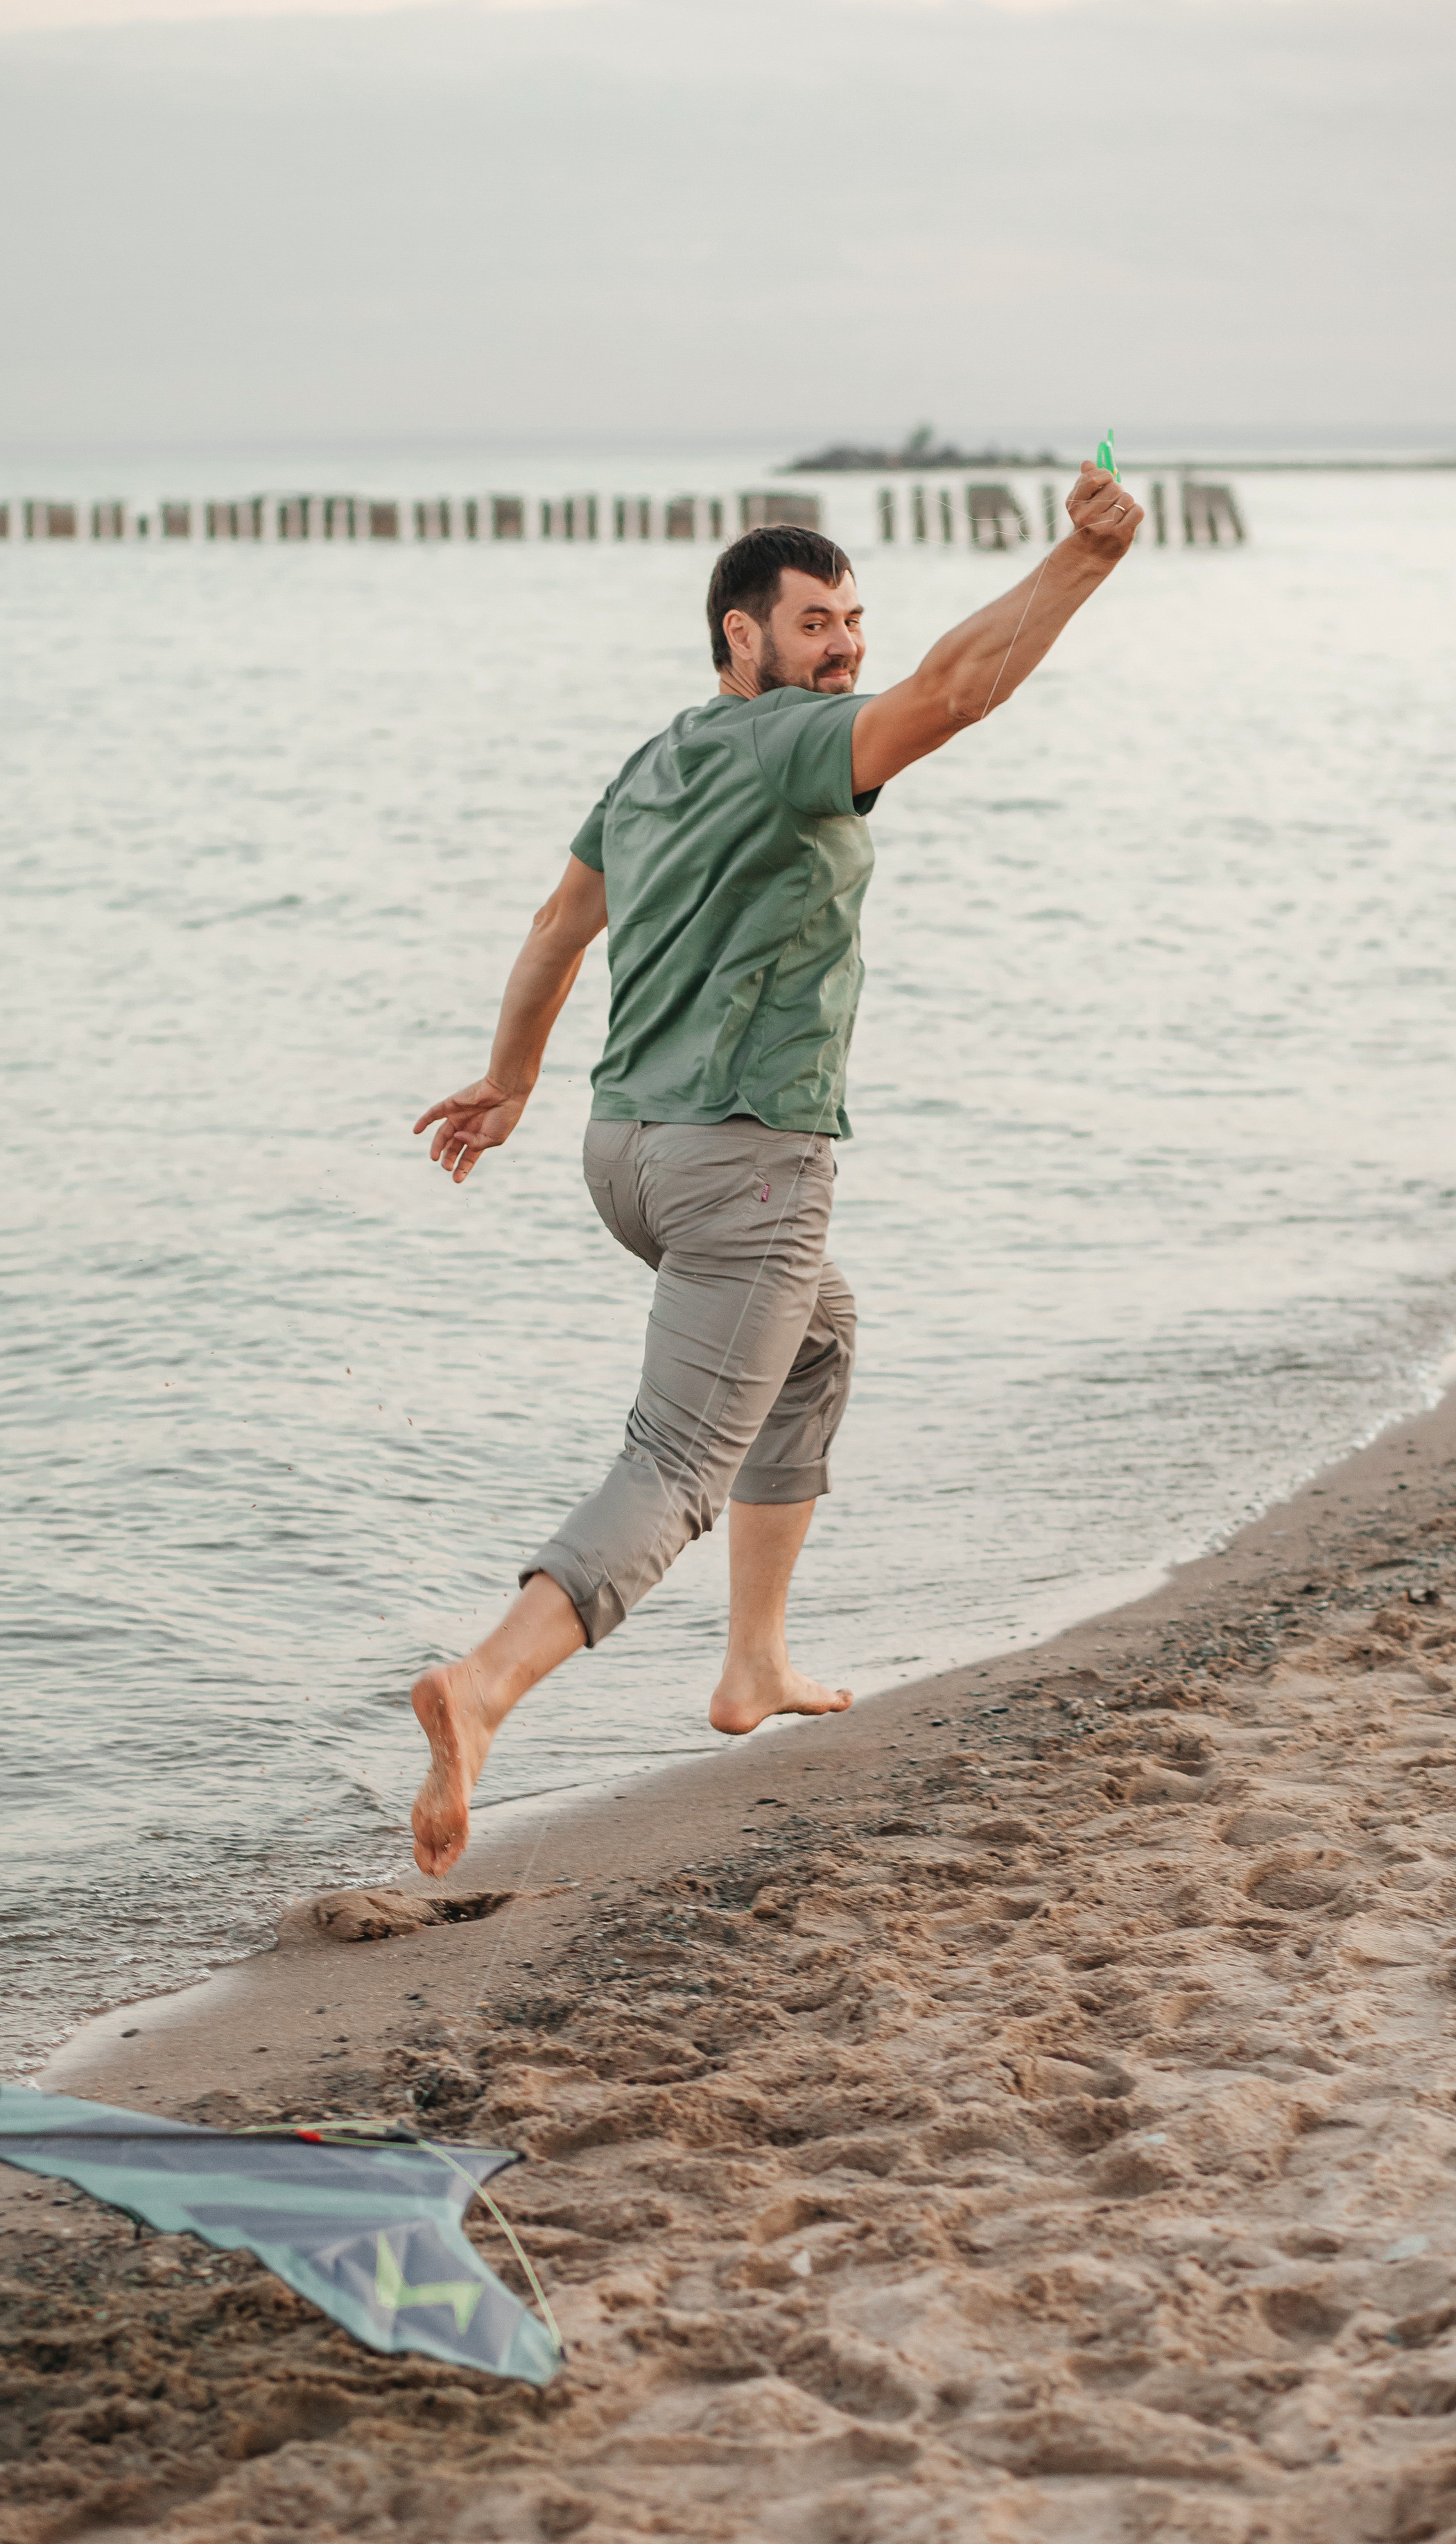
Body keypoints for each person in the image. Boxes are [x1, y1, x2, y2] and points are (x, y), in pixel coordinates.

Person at [408, 459, 1144, 1876]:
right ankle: (485, 1685)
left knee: (818, 1338)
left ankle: (753, 1666)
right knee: (676, 1459)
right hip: (745, 1162)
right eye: (814, 623)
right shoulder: (792, 745)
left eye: (851, 618)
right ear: (739, 636)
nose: (844, 644)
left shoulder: (655, 757)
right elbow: (957, 690)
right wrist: (1082, 565)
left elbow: (563, 921)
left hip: (623, 1156)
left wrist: (508, 1082)